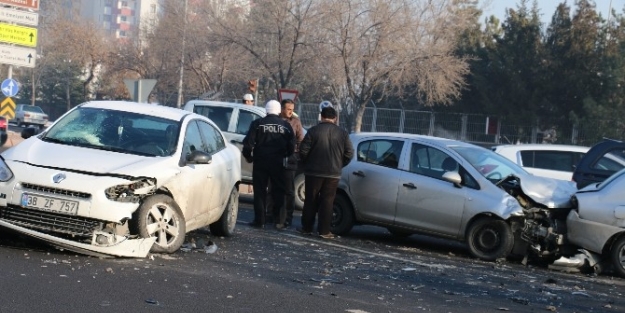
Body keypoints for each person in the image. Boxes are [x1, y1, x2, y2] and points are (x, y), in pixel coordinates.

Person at [298, 106, 353, 238]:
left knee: (310, 200)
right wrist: (340, 164)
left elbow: (303, 151)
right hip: (333, 173)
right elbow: (349, 153)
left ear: (321, 117)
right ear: (335, 118)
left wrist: (307, 164)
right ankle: (324, 231)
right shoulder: (343, 133)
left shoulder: (313, 131)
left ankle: (307, 228)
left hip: (313, 172)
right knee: (328, 201)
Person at [242, 100, 295, 229]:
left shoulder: (257, 124)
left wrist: (249, 157)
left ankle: (260, 220)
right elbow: (292, 147)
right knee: (279, 191)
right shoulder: (286, 126)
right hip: (278, 162)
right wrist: (285, 155)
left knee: (260, 191)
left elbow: (248, 144)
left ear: (266, 110)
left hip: (261, 162)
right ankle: (279, 221)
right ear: (278, 110)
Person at [277, 99, 305, 227]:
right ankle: (272, 215)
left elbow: (301, 140)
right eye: (288, 109)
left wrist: (295, 153)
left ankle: (288, 217)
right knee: (274, 188)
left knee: (289, 190)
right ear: (282, 109)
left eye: (292, 109)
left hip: (290, 158)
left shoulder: (295, 122)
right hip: (276, 158)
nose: (290, 112)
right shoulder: (276, 120)